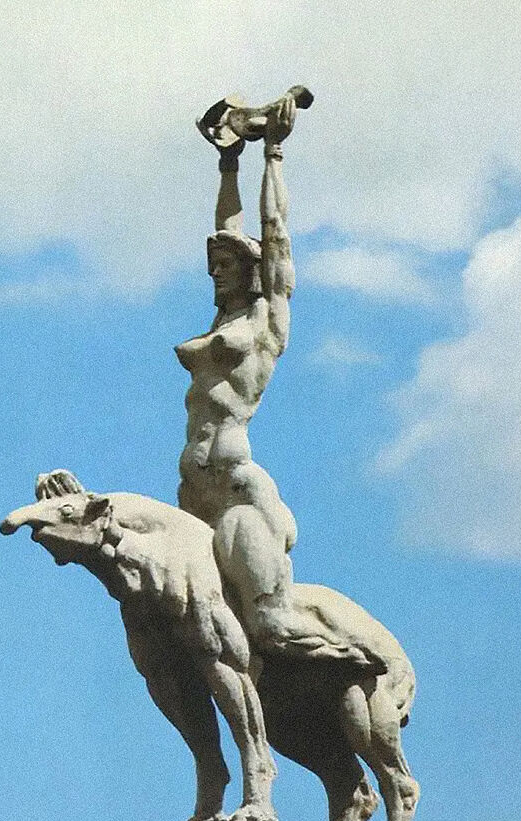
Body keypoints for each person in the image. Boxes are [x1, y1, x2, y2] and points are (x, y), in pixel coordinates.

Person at [175, 94, 299, 656]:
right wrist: (229, 161)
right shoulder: (222, 316)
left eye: (227, 267)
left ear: (250, 273)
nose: (217, 275)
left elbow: (273, 233)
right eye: (213, 268)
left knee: (268, 629)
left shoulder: (263, 322)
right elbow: (227, 224)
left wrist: (271, 151)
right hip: (192, 491)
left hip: (236, 485)